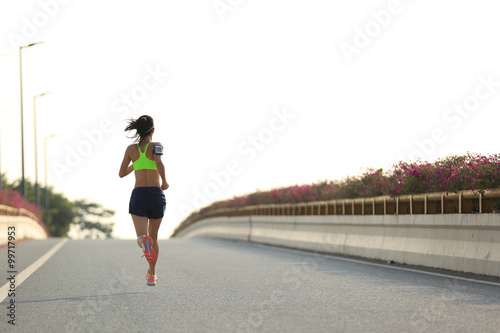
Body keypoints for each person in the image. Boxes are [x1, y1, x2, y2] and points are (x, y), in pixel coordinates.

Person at [119, 115, 169, 286]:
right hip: (155, 195)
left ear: (138, 131)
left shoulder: (130, 149)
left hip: (139, 195)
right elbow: (158, 161)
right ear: (153, 131)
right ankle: (151, 274)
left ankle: (142, 241)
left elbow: (122, 173)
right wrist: (164, 181)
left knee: (142, 235)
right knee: (154, 237)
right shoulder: (157, 146)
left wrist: (137, 161)